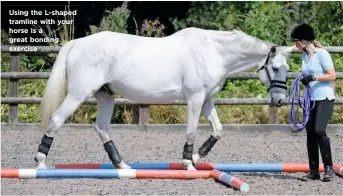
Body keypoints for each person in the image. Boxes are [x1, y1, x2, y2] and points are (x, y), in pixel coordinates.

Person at [290, 23, 337, 181]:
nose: (295, 45)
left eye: (296, 41)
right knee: (310, 133)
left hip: (324, 98)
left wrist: (314, 77)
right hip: (310, 100)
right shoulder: (304, 56)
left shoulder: (321, 54)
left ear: (304, 40)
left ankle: (329, 168)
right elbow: (306, 75)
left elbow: (332, 75)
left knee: (318, 130)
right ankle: (314, 170)